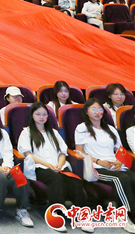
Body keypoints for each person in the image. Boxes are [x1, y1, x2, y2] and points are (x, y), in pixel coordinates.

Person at [18, 103, 91, 225]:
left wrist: (59, 165)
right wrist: (48, 165)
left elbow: (62, 153)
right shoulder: (26, 132)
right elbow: (28, 155)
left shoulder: (54, 133)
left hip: (59, 166)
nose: (41, 117)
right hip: (39, 167)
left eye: (44, 114)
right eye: (38, 114)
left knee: (75, 180)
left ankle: (82, 216)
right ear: (32, 116)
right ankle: (56, 215)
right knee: (55, 179)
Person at [75, 98, 135, 232]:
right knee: (121, 179)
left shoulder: (110, 129)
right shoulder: (82, 128)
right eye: (93, 109)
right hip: (96, 167)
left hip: (114, 165)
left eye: (100, 109)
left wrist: (120, 161)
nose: (97, 112)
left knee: (132, 177)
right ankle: (123, 216)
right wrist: (98, 161)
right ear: (86, 112)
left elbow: (120, 149)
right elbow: (79, 151)